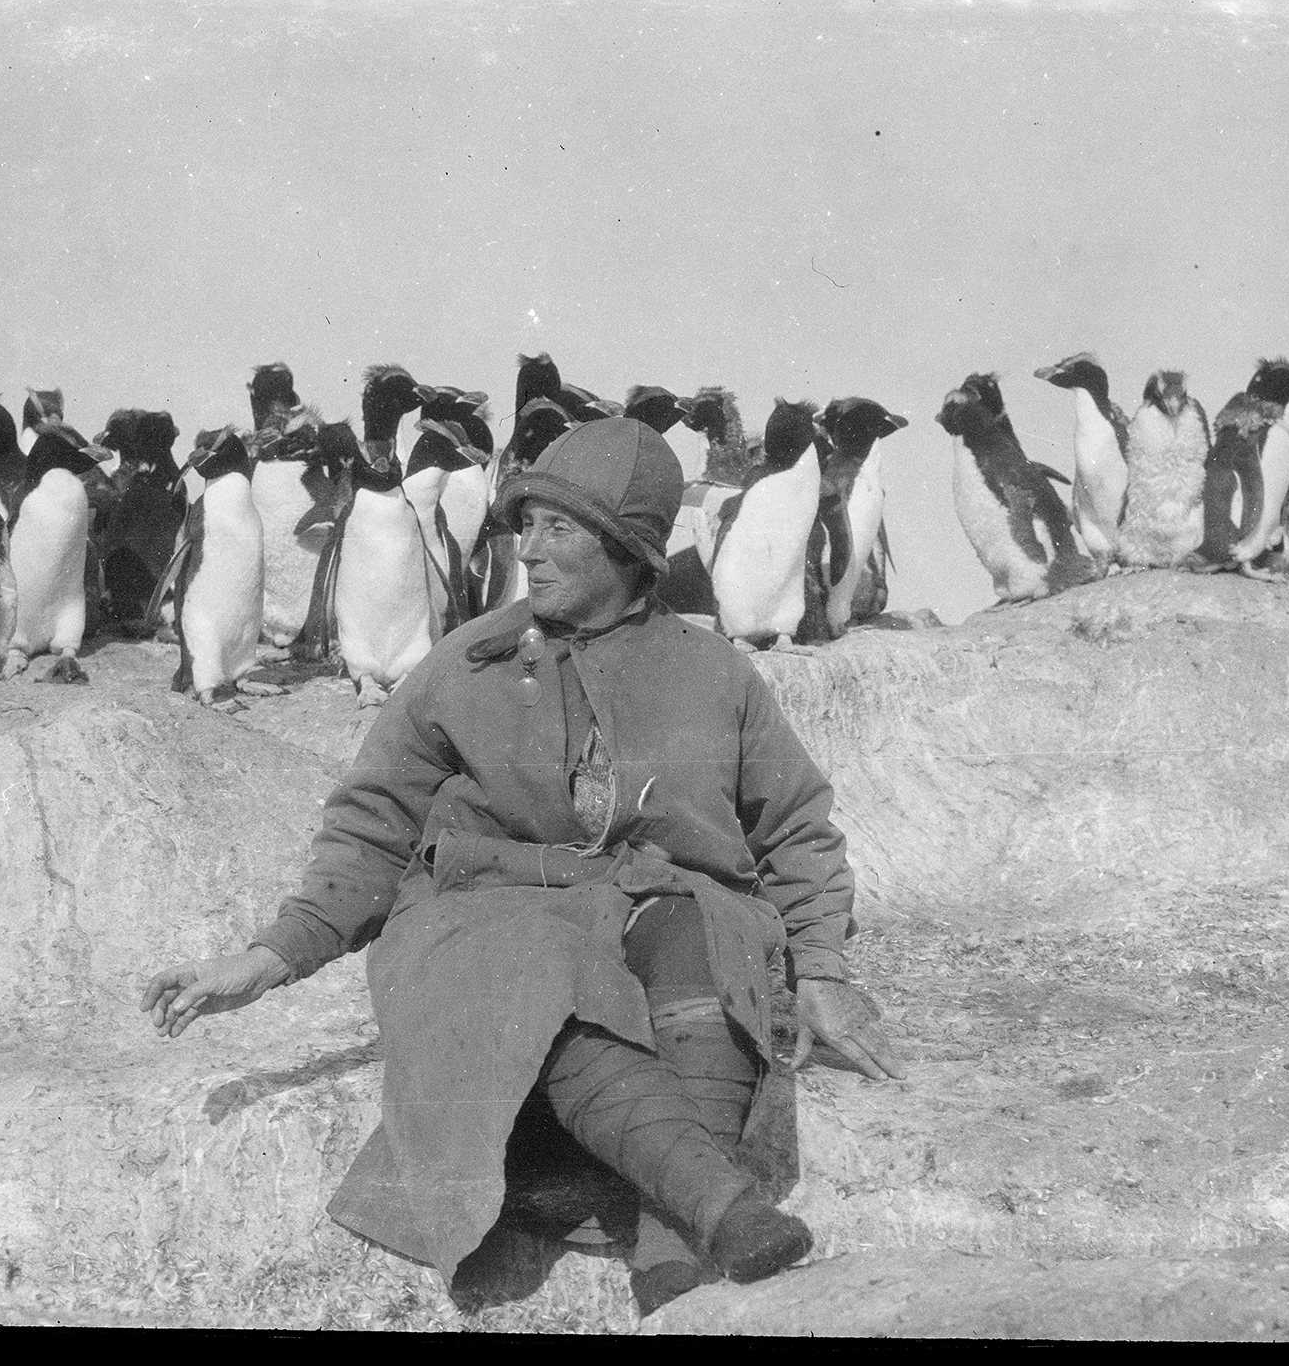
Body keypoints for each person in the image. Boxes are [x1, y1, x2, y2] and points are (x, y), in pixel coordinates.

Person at [141, 416, 903, 1315]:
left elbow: (797, 829)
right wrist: (273, 956)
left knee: (708, 937)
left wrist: (818, 969)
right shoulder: (465, 663)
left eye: (556, 528)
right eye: (523, 525)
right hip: (487, 915)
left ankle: (669, 1257)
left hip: (653, 903)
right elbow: (371, 826)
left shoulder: (714, 673)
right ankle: (715, 1205)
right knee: (536, 976)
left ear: (628, 550)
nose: (526, 550)